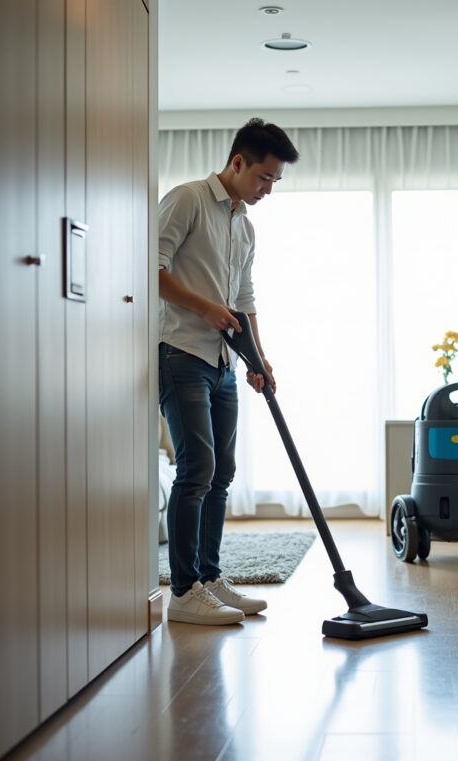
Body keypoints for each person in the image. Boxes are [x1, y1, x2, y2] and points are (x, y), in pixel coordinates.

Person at [158, 118, 299, 625]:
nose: (268, 190)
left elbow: (243, 299)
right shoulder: (187, 200)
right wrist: (203, 308)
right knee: (196, 469)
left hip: (221, 363)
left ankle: (210, 577)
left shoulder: (245, 225)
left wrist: (257, 359)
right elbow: (148, 269)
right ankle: (182, 591)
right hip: (179, 351)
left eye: (275, 182)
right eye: (264, 178)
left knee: (222, 472)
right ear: (238, 163)